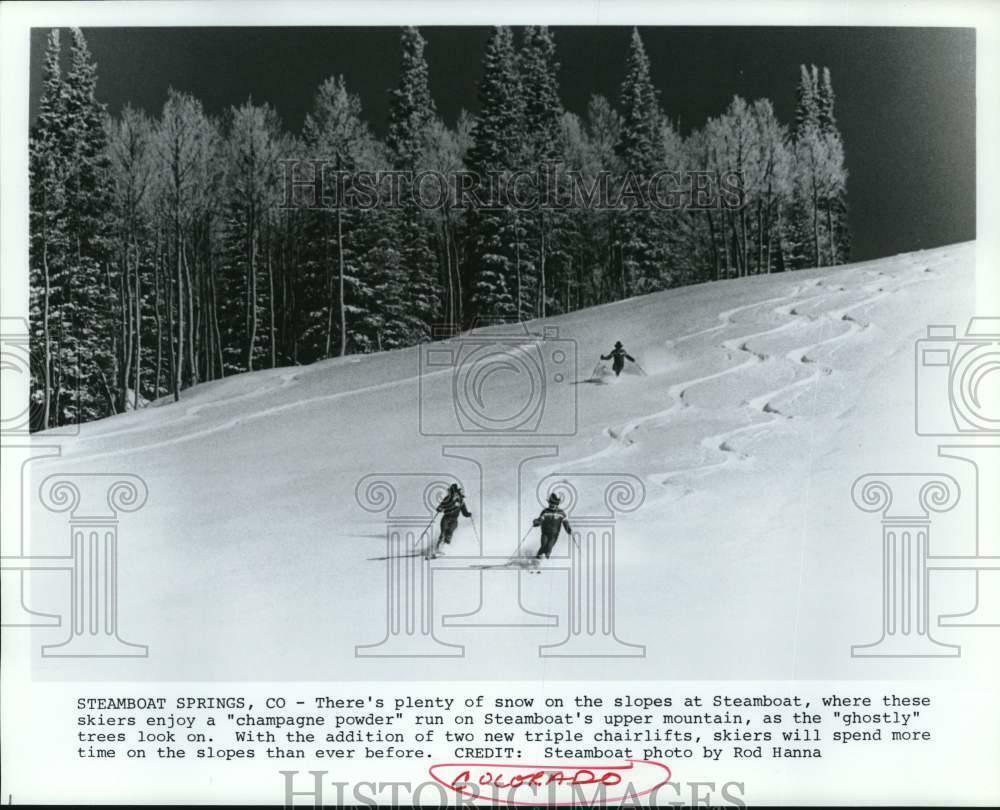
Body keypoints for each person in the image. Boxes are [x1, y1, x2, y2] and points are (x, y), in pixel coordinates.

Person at [434, 483, 471, 555]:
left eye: (456, 493)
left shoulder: (461, 502)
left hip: (454, 520)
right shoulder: (447, 499)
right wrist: (439, 509)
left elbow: (464, 512)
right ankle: (437, 549)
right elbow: (440, 507)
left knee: (449, 533)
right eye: (453, 493)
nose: (455, 495)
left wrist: (468, 514)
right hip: (446, 518)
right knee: (443, 533)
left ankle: (444, 549)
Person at [533, 493, 573, 560]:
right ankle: (537, 558)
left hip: (554, 535)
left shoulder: (561, 513)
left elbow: (565, 523)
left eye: (553, 503)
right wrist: (536, 522)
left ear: (557, 504)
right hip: (545, 533)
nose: (551, 505)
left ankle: (545, 562)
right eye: (550, 503)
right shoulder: (545, 511)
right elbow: (540, 519)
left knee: (549, 548)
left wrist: (568, 529)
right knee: (543, 545)